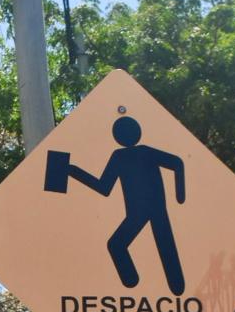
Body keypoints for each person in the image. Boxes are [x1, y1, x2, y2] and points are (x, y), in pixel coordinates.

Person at [46, 115, 187, 294]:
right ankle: (137, 283)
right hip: (146, 210)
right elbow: (177, 163)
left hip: (143, 211)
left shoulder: (129, 155)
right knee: (144, 243)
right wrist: (72, 171)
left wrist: (72, 171)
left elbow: (103, 187)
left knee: (123, 244)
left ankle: (169, 288)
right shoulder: (136, 153)